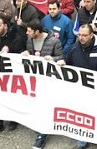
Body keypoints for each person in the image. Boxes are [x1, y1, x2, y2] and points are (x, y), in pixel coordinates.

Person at [66, 24, 97, 149]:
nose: (81, 38)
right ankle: (83, 138)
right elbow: (69, 64)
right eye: (79, 35)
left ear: (91, 35)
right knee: (82, 112)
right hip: (81, 88)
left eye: (84, 35)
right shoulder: (74, 48)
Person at [23, 20, 64, 149]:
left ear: (37, 32)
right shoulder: (30, 39)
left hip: (49, 80)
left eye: (29, 31)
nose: (27, 33)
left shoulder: (54, 41)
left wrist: (53, 59)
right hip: (35, 79)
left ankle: (42, 134)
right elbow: (30, 52)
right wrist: (27, 53)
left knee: (46, 106)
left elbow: (62, 58)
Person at [0, 15, 27, 137]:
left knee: (12, 98)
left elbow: (20, 58)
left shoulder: (16, 38)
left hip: (12, 76)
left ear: (5, 26)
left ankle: (14, 118)